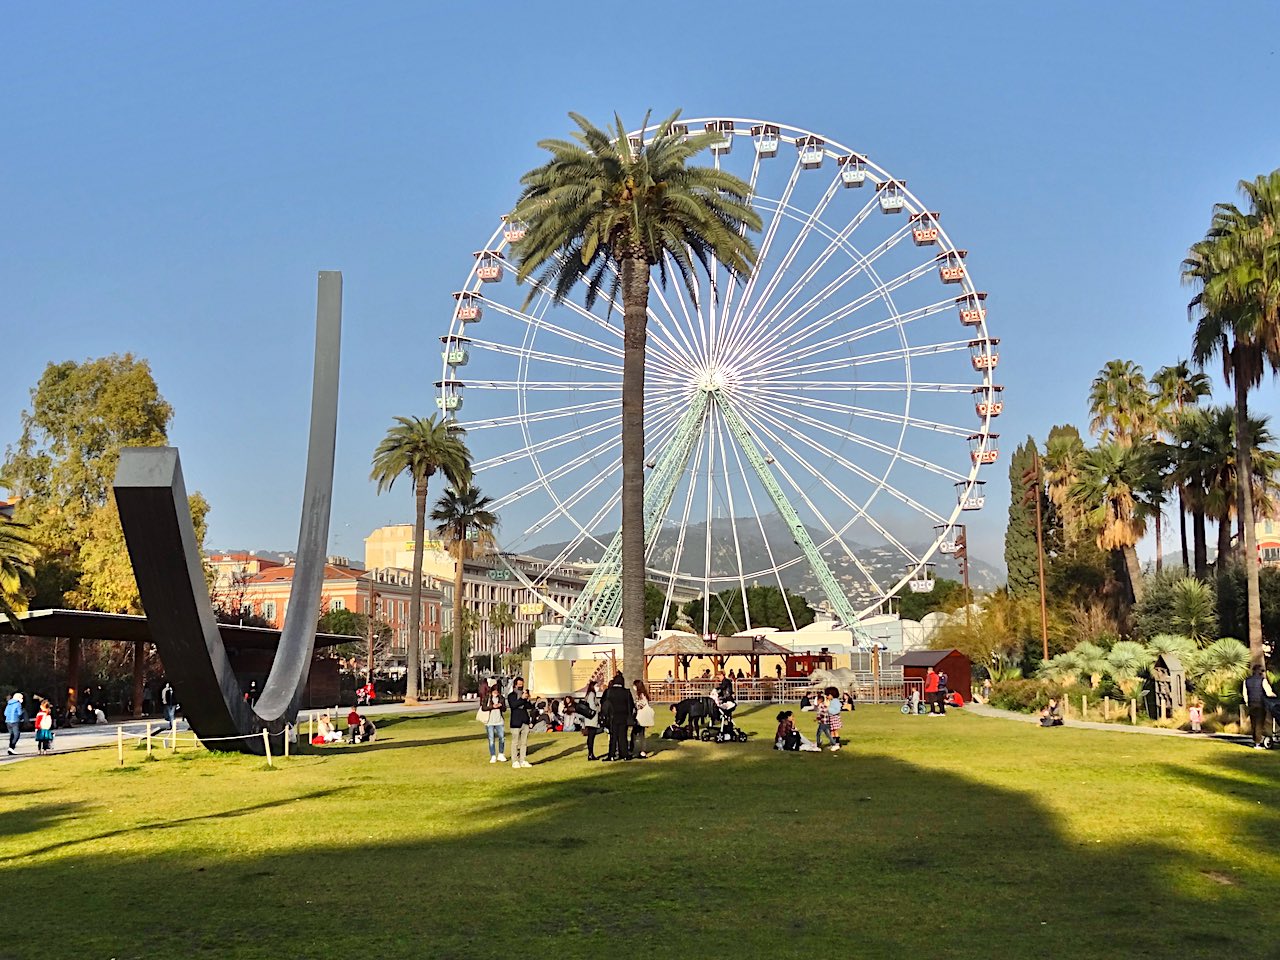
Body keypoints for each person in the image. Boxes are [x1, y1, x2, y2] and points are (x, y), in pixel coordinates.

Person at [601, 673, 635, 761]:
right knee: (623, 736)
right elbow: (631, 705)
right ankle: (624, 754)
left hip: (612, 717)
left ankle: (611, 755)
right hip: (623, 717)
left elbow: (603, 704)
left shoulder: (609, 692)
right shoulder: (626, 692)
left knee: (613, 737)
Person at [1242, 664, 1276, 750]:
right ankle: (1257, 743)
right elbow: (1268, 692)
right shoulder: (1263, 680)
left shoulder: (1246, 681)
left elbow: (1245, 693)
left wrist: (1247, 703)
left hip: (1251, 704)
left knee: (1254, 723)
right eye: (1262, 671)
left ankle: (1256, 741)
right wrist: (1274, 696)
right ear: (1259, 671)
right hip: (1261, 704)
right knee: (1259, 724)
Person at [508, 678, 532, 768]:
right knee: (515, 743)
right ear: (515, 685)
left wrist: (528, 699)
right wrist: (522, 699)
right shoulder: (511, 696)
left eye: (522, 684)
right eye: (519, 684)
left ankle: (523, 760)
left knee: (524, 743)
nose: (521, 686)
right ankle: (515, 761)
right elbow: (513, 705)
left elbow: (529, 707)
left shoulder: (524, 695)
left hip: (524, 721)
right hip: (515, 722)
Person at [481, 687, 507, 763]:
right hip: (490, 722)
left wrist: (500, 706)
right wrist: (492, 707)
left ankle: (501, 754)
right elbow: (483, 708)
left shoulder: (501, 698)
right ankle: (493, 755)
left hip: (499, 721)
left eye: (497, 691)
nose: (496, 692)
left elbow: (504, 709)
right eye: (494, 691)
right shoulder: (487, 698)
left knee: (502, 738)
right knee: (491, 739)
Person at [631, 680, 654, 759]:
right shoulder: (644, 694)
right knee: (641, 734)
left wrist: (635, 704)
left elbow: (641, 705)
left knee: (637, 734)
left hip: (640, 717)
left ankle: (639, 751)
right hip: (643, 717)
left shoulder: (641, 695)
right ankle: (641, 750)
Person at [582, 680, 601, 761]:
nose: (598, 688)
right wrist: (598, 709)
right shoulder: (592, 694)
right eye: (596, 686)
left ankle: (591, 753)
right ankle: (590, 754)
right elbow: (592, 706)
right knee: (591, 737)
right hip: (592, 719)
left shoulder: (589, 694)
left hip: (589, 719)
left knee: (591, 737)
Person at [825, 686, 844, 752]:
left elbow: (837, 710)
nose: (827, 697)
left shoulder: (836, 701)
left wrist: (828, 709)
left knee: (835, 731)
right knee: (832, 731)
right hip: (831, 717)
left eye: (827, 695)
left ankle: (837, 744)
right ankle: (833, 743)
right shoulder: (832, 701)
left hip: (834, 718)